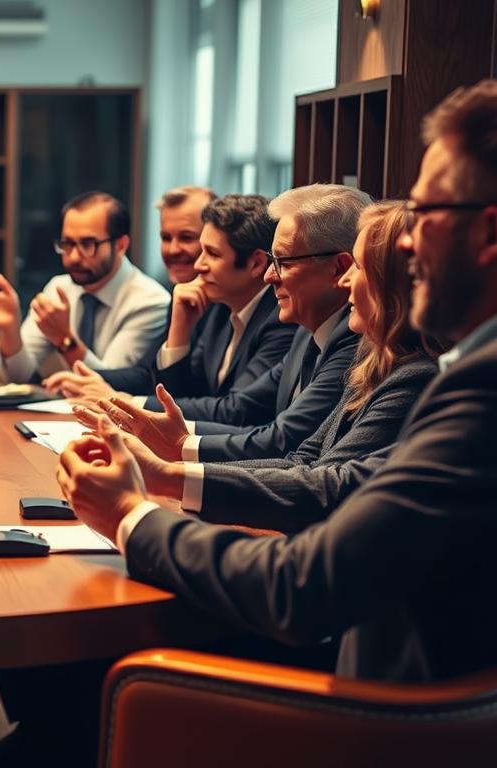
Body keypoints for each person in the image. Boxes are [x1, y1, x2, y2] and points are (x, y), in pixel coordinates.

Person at [58, 79, 497, 690]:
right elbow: (319, 466)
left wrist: (131, 515)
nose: (404, 239)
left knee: (112, 645)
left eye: (424, 214)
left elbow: (305, 586)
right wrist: (164, 475)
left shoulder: (476, 388)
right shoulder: (447, 369)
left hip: (382, 723)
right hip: (373, 686)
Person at [103, 200, 441, 533]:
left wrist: (172, 473)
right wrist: (177, 459)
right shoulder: (364, 357)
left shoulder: (411, 374)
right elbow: (304, 458)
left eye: (360, 266)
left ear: (394, 285)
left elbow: (326, 485)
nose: (346, 281)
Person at [88, 184, 368, 462]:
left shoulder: (348, 337)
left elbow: (272, 432)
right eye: (274, 260)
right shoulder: (304, 329)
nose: (270, 276)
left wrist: (178, 444)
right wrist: (156, 429)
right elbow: (237, 409)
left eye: (284, 261)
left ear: (341, 268)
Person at [48, 194, 296, 406]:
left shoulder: (281, 317)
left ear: (255, 263)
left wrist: (124, 400)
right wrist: (179, 329)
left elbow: (235, 409)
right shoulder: (219, 305)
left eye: (209, 252)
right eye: (165, 238)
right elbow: (177, 389)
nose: (198, 264)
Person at [0, 191, 170, 382]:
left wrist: (64, 339)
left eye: (88, 244)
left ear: (121, 245)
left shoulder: (151, 302)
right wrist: (10, 329)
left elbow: (111, 387)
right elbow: (18, 378)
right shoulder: (60, 288)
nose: (74, 257)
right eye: (67, 244)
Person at [51, 185, 216, 396]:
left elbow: (201, 399)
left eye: (186, 237)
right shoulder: (180, 296)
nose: (173, 250)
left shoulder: (220, 303)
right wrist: (85, 380)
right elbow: (146, 375)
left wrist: (68, 346)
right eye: (166, 238)